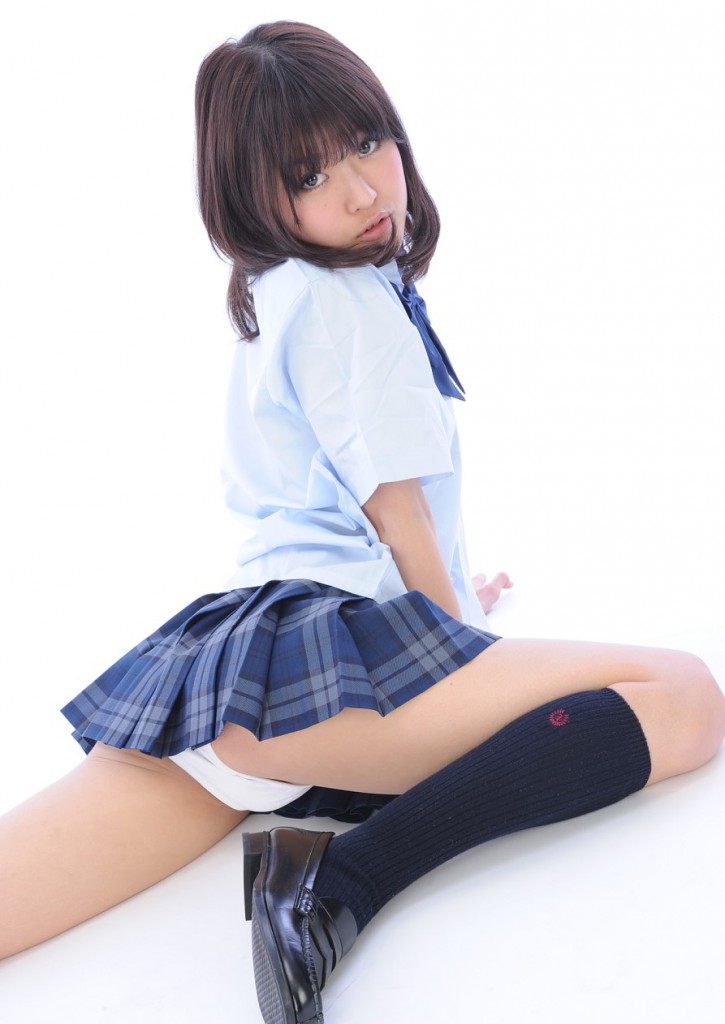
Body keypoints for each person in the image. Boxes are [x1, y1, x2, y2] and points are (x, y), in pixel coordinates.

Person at [1, 20, 723, 1024]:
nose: (360, 189)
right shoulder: (350, 299)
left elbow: (337, 505)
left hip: (226, 682)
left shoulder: (279, 293)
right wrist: (458, 638)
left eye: (366, 141)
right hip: (313, 676)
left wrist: (445, 592)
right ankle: (336, 883)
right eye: (309, 176)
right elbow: (397, 514)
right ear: (251, 201)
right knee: (682, 696)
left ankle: (319, 846)